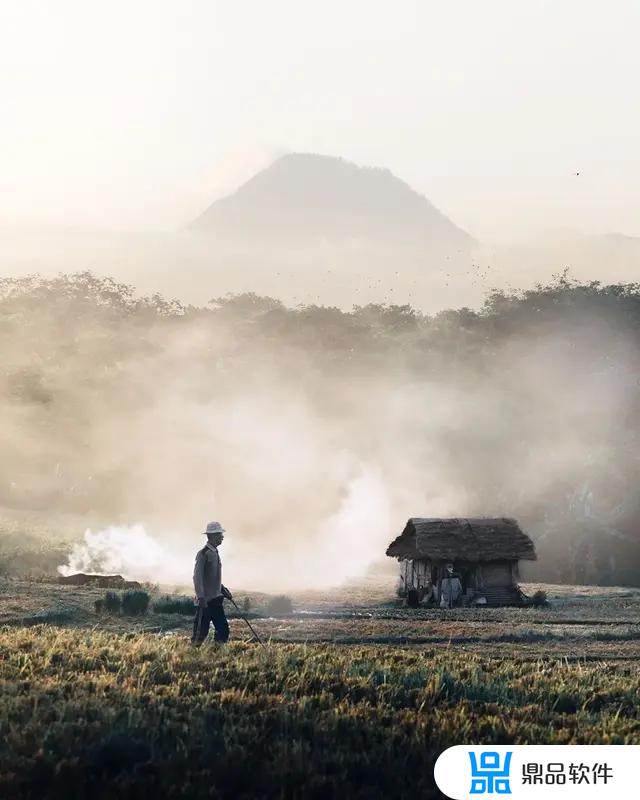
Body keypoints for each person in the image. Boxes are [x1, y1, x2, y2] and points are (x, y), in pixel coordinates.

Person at [192, 521, 233, 645]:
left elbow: (211, 577)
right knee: (200, 633)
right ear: (212, 536)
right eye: (219, 534)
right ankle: (192, 655)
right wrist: (201, 597)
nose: (222, 537)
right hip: (206, 601)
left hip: (216, 599)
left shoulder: (214, 552)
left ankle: (215, 654)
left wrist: (222, 589)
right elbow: (197, 577)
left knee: (223, 630)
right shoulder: (203, 554)